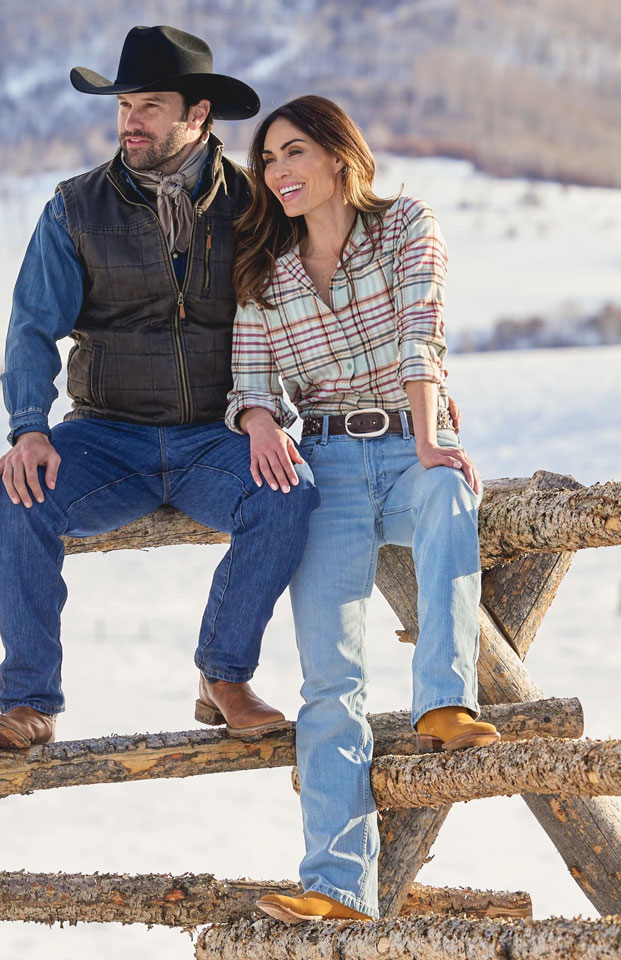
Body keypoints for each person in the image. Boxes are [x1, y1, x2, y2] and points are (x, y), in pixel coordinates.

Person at [0, 25, 317, 753]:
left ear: (197, 115)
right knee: (18, 497)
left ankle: (223, 677)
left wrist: (267, 412)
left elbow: (300, 314)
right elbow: (32, 327)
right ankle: (30, 703)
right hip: (106, 436)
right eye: (125, 104)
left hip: (216, 433)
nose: (131, 121)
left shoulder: (256, 207)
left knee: (289, 493)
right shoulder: (75, 207)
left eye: (150, 105)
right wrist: (29, 427)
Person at [224, 94, 500, 924]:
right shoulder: (265, 270)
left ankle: (445, 702)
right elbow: (250, 379)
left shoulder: (406, 224)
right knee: (328, 679)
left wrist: (429, 436)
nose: (278, 173)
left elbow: (424, 331)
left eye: (294, 153)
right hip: (331, 464)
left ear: (341, 157)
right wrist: (265, 424)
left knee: (449, 493)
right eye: (267, 160)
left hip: (413, 443)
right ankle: (337, 887)